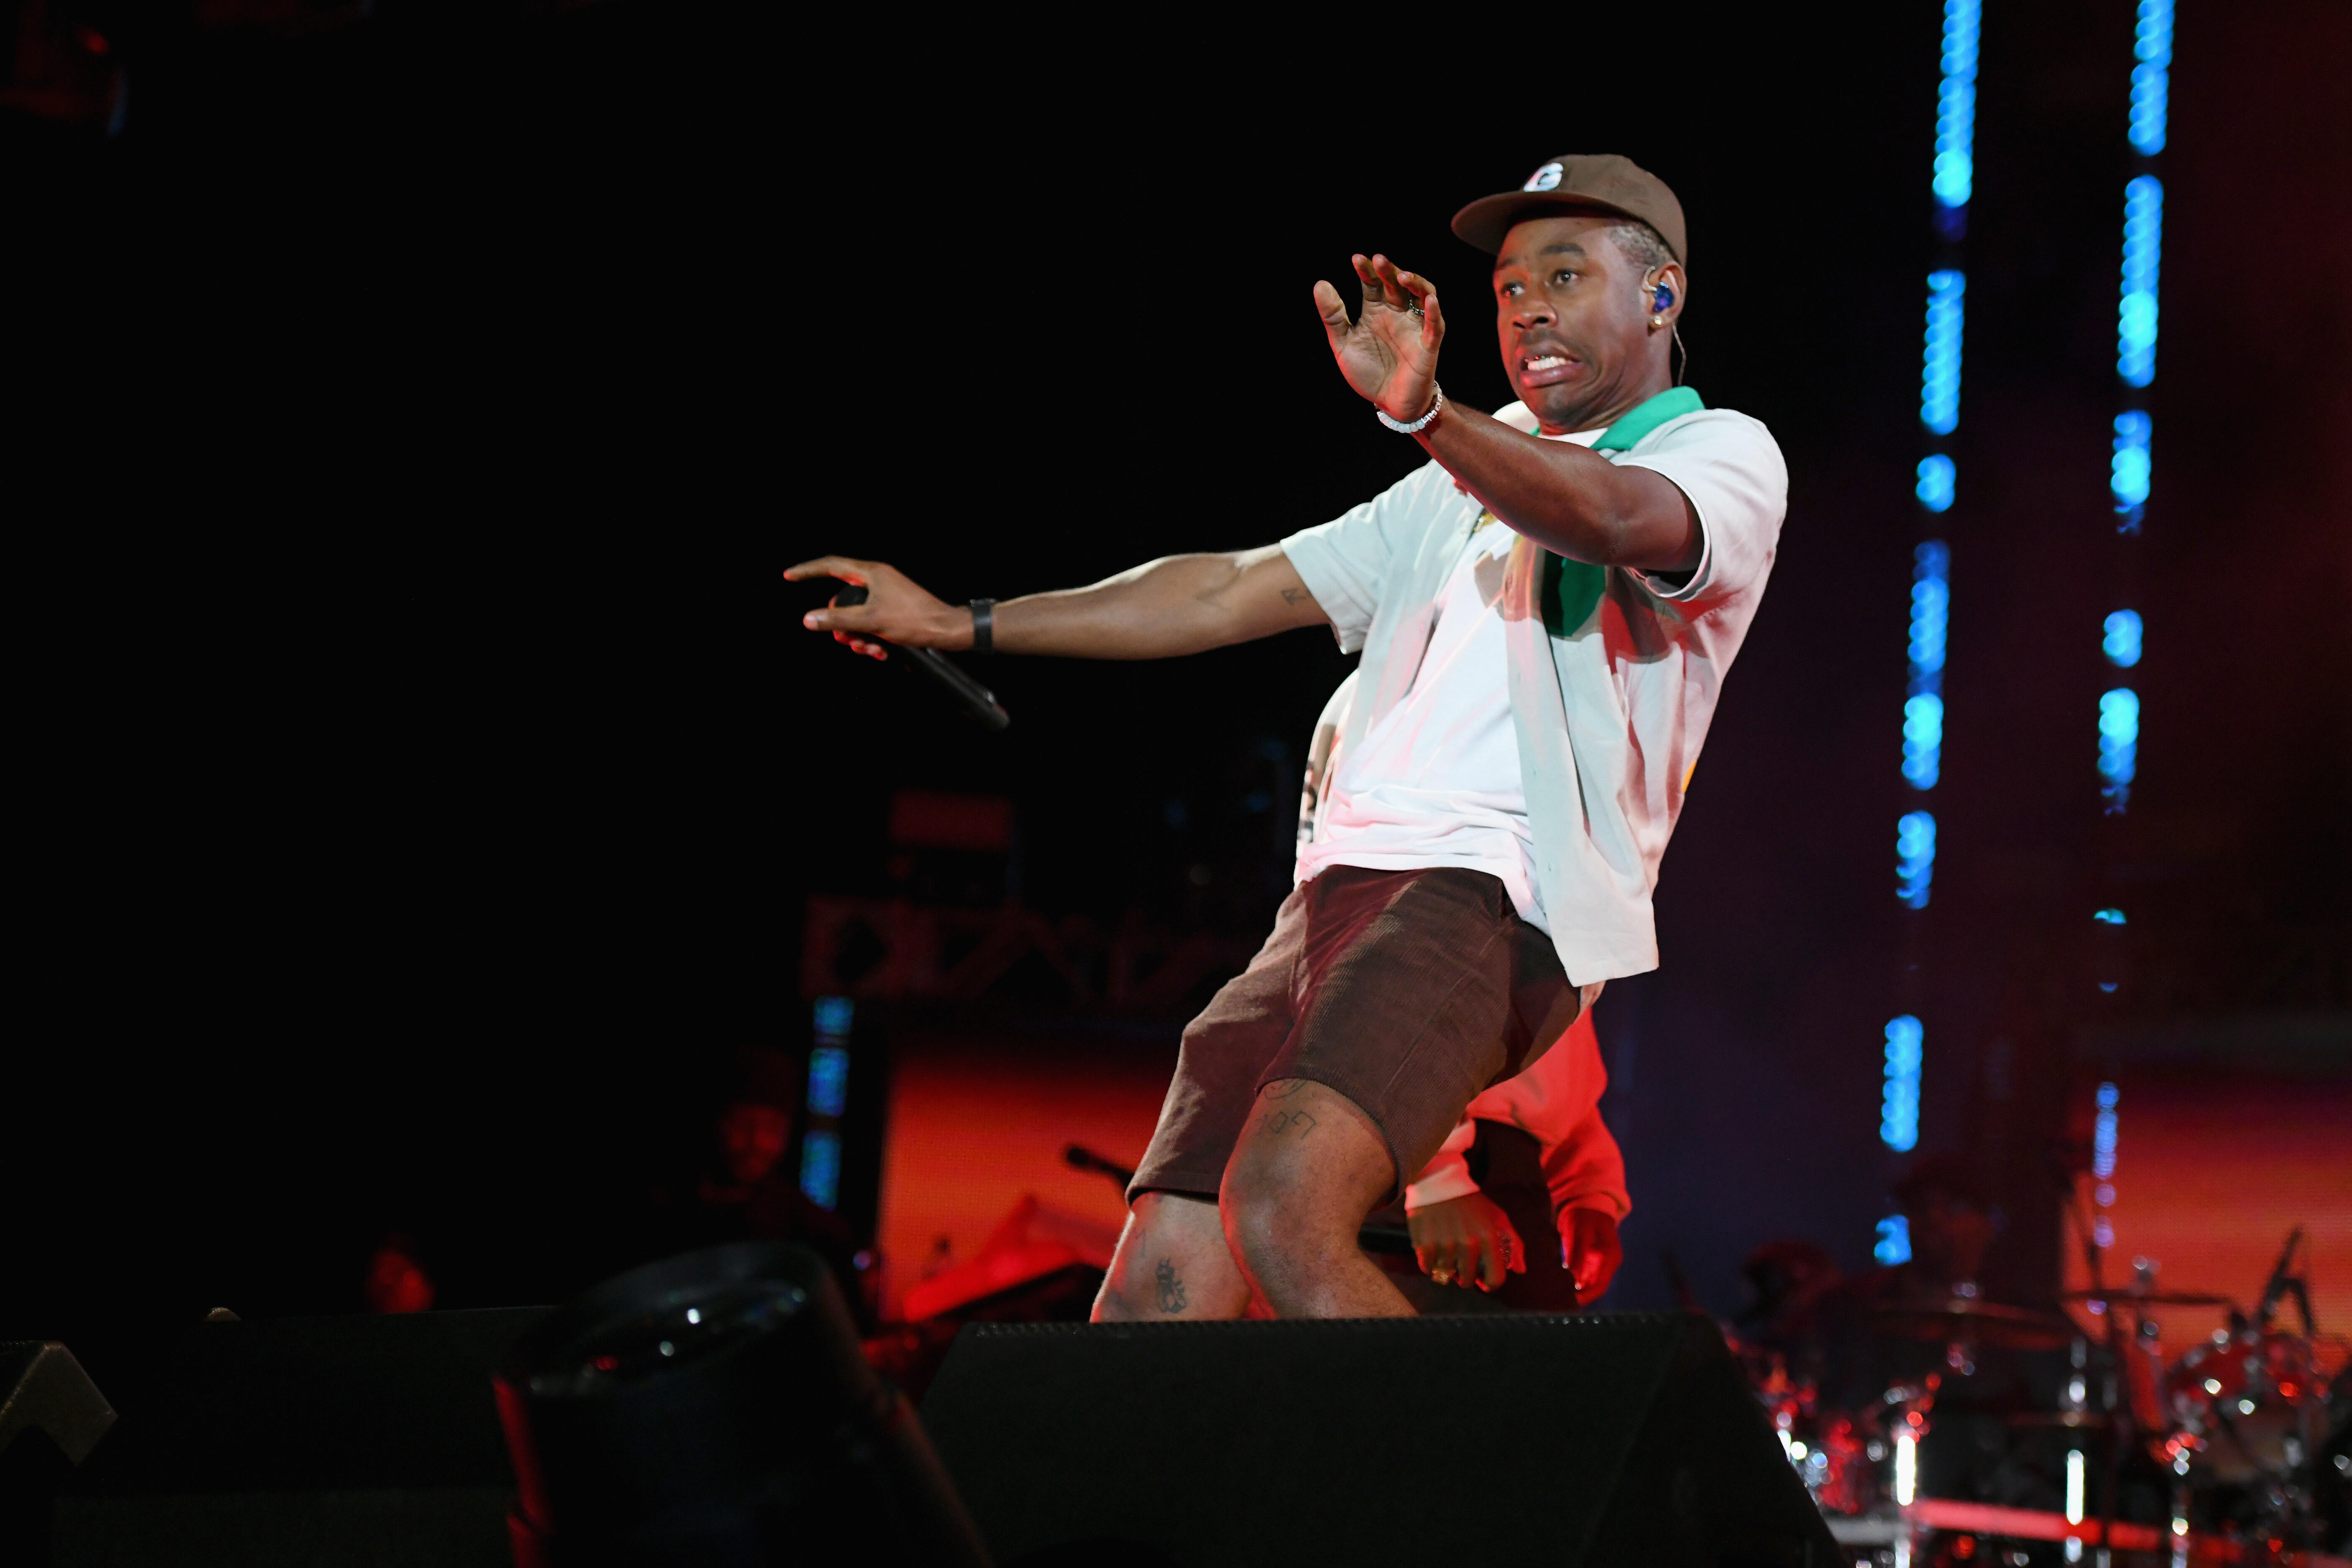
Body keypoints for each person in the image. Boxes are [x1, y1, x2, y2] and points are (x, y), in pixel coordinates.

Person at [791, 153, 1786, 1319]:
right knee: (1157, 1277)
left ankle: (1469, 1449)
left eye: (1563, 276)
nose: (1526, 310)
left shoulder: (1714, 453)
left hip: (1484, 890)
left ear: (1660, 294)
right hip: (1326, 902)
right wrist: (960, 621)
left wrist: (1427, 416)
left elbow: (1609, 515)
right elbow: (1230, 588)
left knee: (1281, 1206)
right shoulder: (1458, 474)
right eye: (1509, 289)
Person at [635, 1048, 864, 1318]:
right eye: (742, 1124)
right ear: (716, 1122)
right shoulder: (660, 1213)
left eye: (772, 1128)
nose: (757, 1142)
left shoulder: (819, 1233)